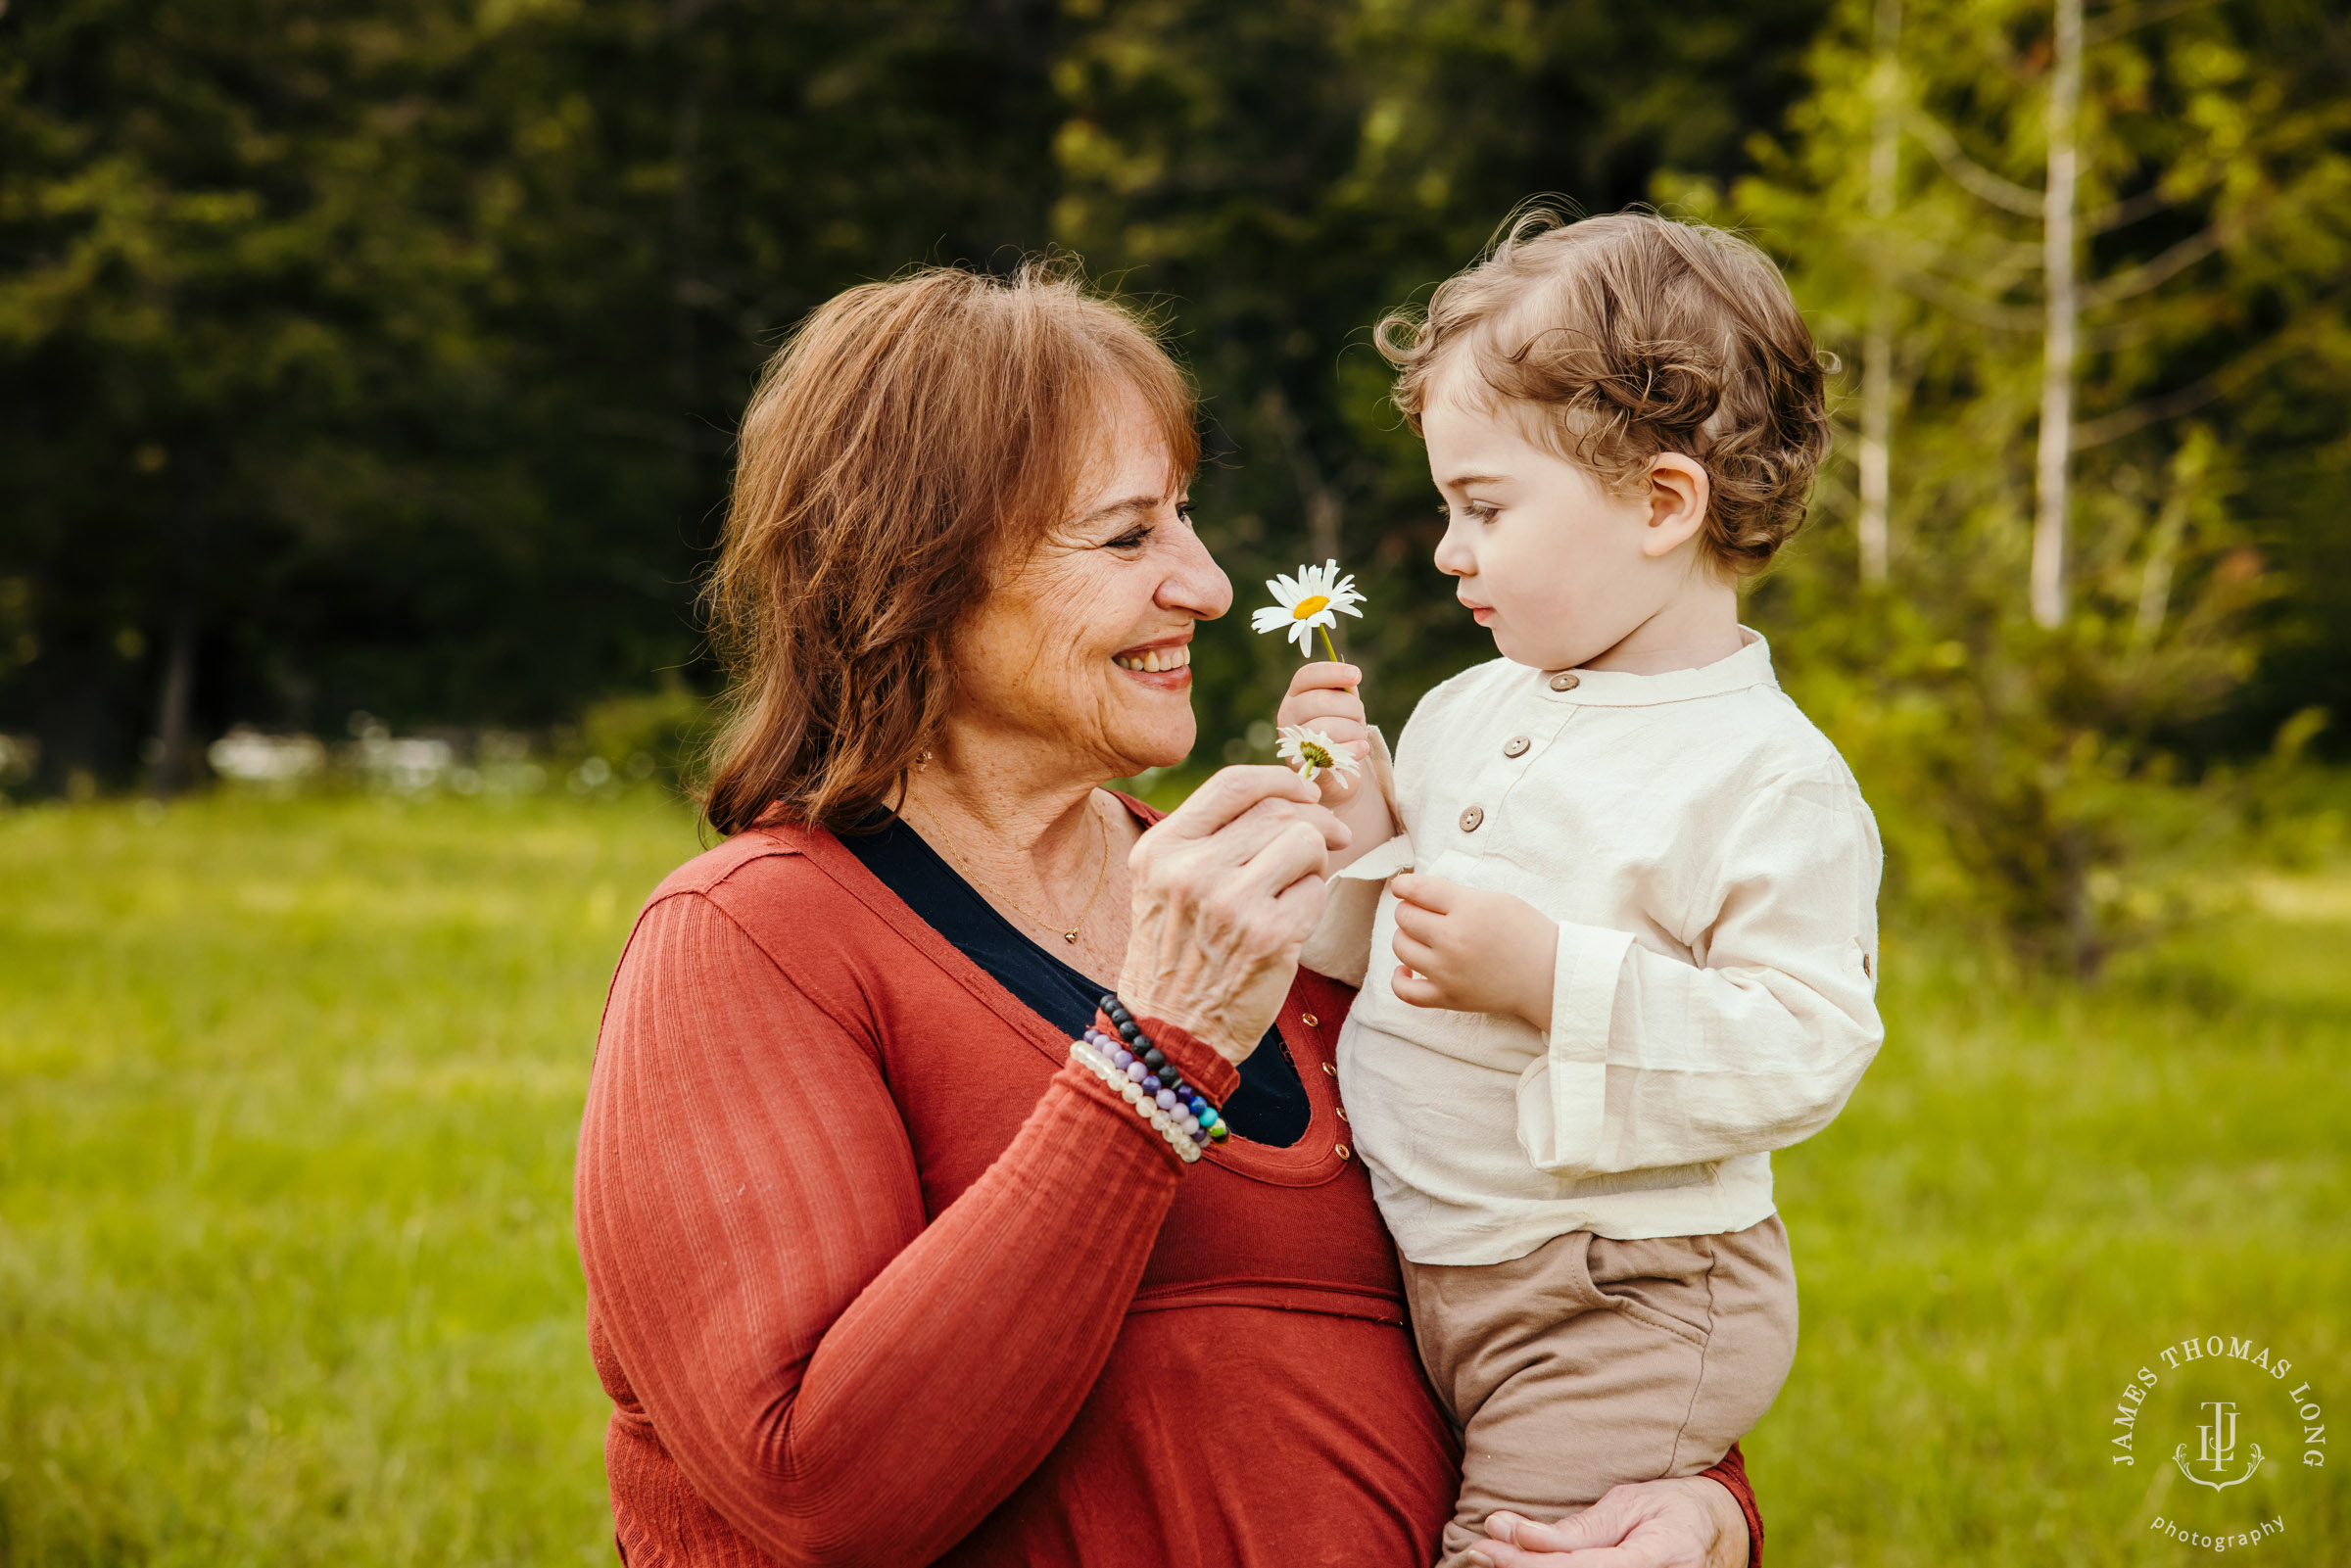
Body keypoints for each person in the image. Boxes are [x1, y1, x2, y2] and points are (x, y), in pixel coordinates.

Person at [573, 260, 1765, 1567]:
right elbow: (824, 1497)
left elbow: (1578, 1288)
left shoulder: (1292, 913)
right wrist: (1154, 1055)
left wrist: (1698, 1512)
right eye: (1131, 535)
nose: (1203, 582)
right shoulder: (752, 945)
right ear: (918, 573)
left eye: (1186, 519)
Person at [1276, 212, 1886, 1565]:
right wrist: (1366, 832)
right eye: (1449, 506)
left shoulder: (1763, 778)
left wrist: (1555, 979)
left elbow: (1806, 1044)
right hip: (1435, 1251)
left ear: (1664, 504)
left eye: (1484, 508)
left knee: (1524, 1551)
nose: (1448, 548)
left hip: (1615, 1292)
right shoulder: (1457, 709)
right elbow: (1384, 951)